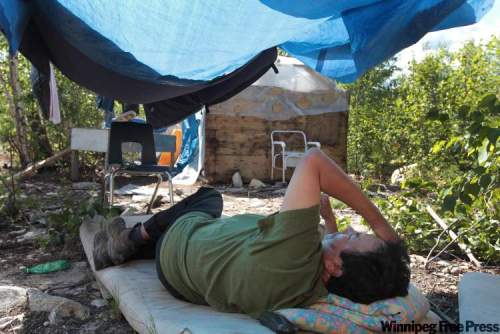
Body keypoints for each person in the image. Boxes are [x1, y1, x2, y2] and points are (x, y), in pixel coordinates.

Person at [93, 148, 410, 317]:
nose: (353, 228)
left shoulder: (296, 253)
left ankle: (131, 240)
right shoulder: (314, 289)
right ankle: (143, 244)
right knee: (226, 233)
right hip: (182, 281)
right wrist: (331, 226)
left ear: (335, 266)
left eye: (355, 237)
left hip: (182, 243)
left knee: (209, 199)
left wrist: (380, 223)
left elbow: (313, 161)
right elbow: (329, 255)